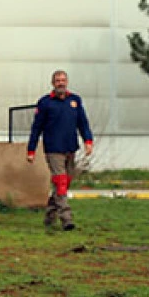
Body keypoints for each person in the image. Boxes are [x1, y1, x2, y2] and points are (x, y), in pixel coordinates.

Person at [26, 70, 94, 230]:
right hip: (53, 149)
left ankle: (49, 216)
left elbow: (83, 123)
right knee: (61, 182)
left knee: (64, 184)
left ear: (67, 82)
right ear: (53, 83)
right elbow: (36, 128)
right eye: (58, 80)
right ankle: (66, 218)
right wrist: (31, 150)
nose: (61, 83)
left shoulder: (75, 100)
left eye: (63, 80)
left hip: (70, 147)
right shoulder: (45, 103)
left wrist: (88, 141)